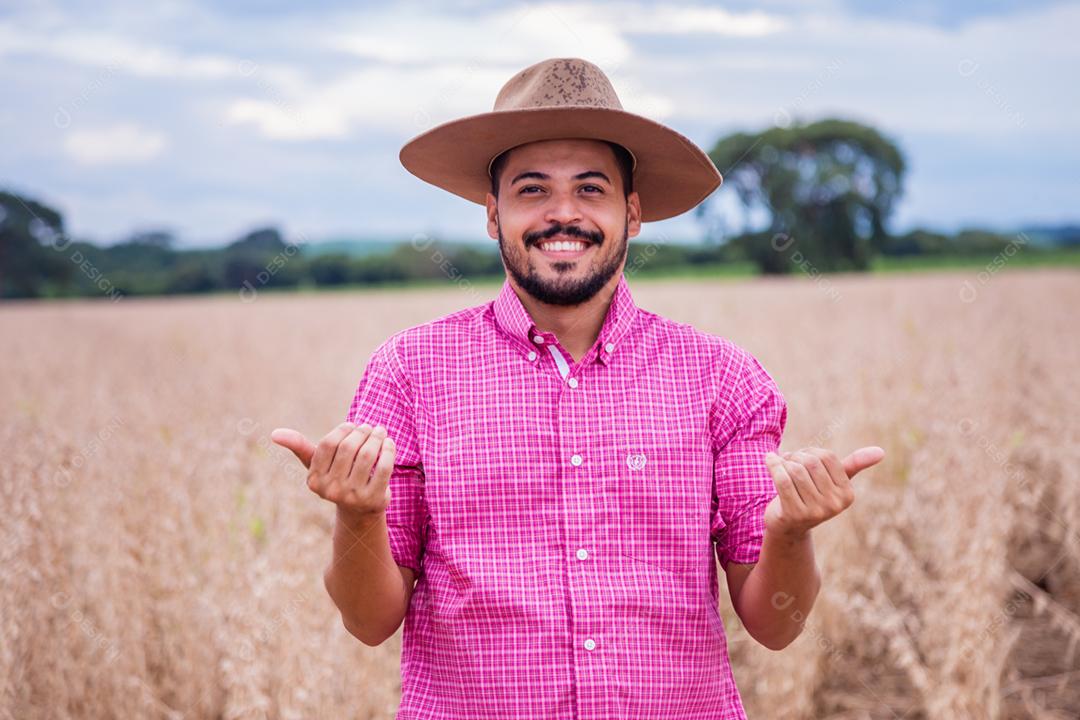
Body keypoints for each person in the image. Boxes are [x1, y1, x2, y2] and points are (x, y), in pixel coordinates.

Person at [272, 57, 885, 719]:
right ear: (491, 213)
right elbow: (369, 622)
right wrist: (357, 515)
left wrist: (791, 532)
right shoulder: (409, 372)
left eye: (590, 190)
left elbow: (776, 625)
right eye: (532, 190)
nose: (562, 214)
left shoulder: (722, 378)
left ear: (633, 211)